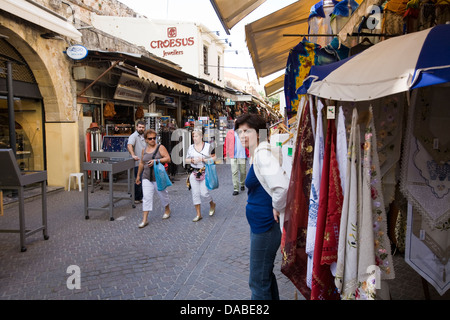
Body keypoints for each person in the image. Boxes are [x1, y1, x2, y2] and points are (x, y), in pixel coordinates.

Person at [235, 114, 289, 300]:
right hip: (261, 225)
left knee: (257, 281)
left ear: (258, 133)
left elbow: (281, 186)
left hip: (266, 226)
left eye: (247, 131)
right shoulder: (258, 153)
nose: (242, 135)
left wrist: (276, 206)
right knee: (265, 276)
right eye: (239, 131)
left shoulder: (262, 155)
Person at [135, 129, 171, 228]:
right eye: (150, 138)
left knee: (163, 195)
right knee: (146, 197)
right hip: (146, 177)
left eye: (154, 138)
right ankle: (144, 219)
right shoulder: (144, 150)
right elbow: (142, 163)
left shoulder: (160, 147)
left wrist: (157, 160)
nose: (152, 140)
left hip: (158, 177)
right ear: (146, 140)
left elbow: (168, 158)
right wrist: (138, 176)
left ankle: (167, 208)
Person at [185, 128, 216, 222]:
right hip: (193, 172)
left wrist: (203, 160)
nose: (195, 138)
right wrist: (191, 160)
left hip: (204, 171)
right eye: (193, 136)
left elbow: (214, 158)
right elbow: (186, 159)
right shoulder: (190, 147)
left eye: (197, 136)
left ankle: (212, 203)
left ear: (201, 136)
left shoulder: (208, 146)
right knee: (195, 193)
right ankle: (198, 214)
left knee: (204, 193)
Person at [224, 127, 248, 195]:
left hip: (242, 154)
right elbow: (226, 144)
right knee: (234, 172)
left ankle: (242, 183)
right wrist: (226, 154)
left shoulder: (244, 132)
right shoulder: (230, 133)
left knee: (243, 171)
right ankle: (236, 188)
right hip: (232, 155)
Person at [127, 120, 146, 204]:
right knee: (138, 179)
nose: (141, 129)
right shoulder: (133, 136)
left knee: (143, 179)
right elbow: (129, 145)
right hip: (137, 162)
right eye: (140, 127)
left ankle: (140, 196)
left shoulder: (145, 136)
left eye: (143, 127)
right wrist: (133, 155)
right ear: (136, 127)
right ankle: (136, 197)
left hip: (145, 162)